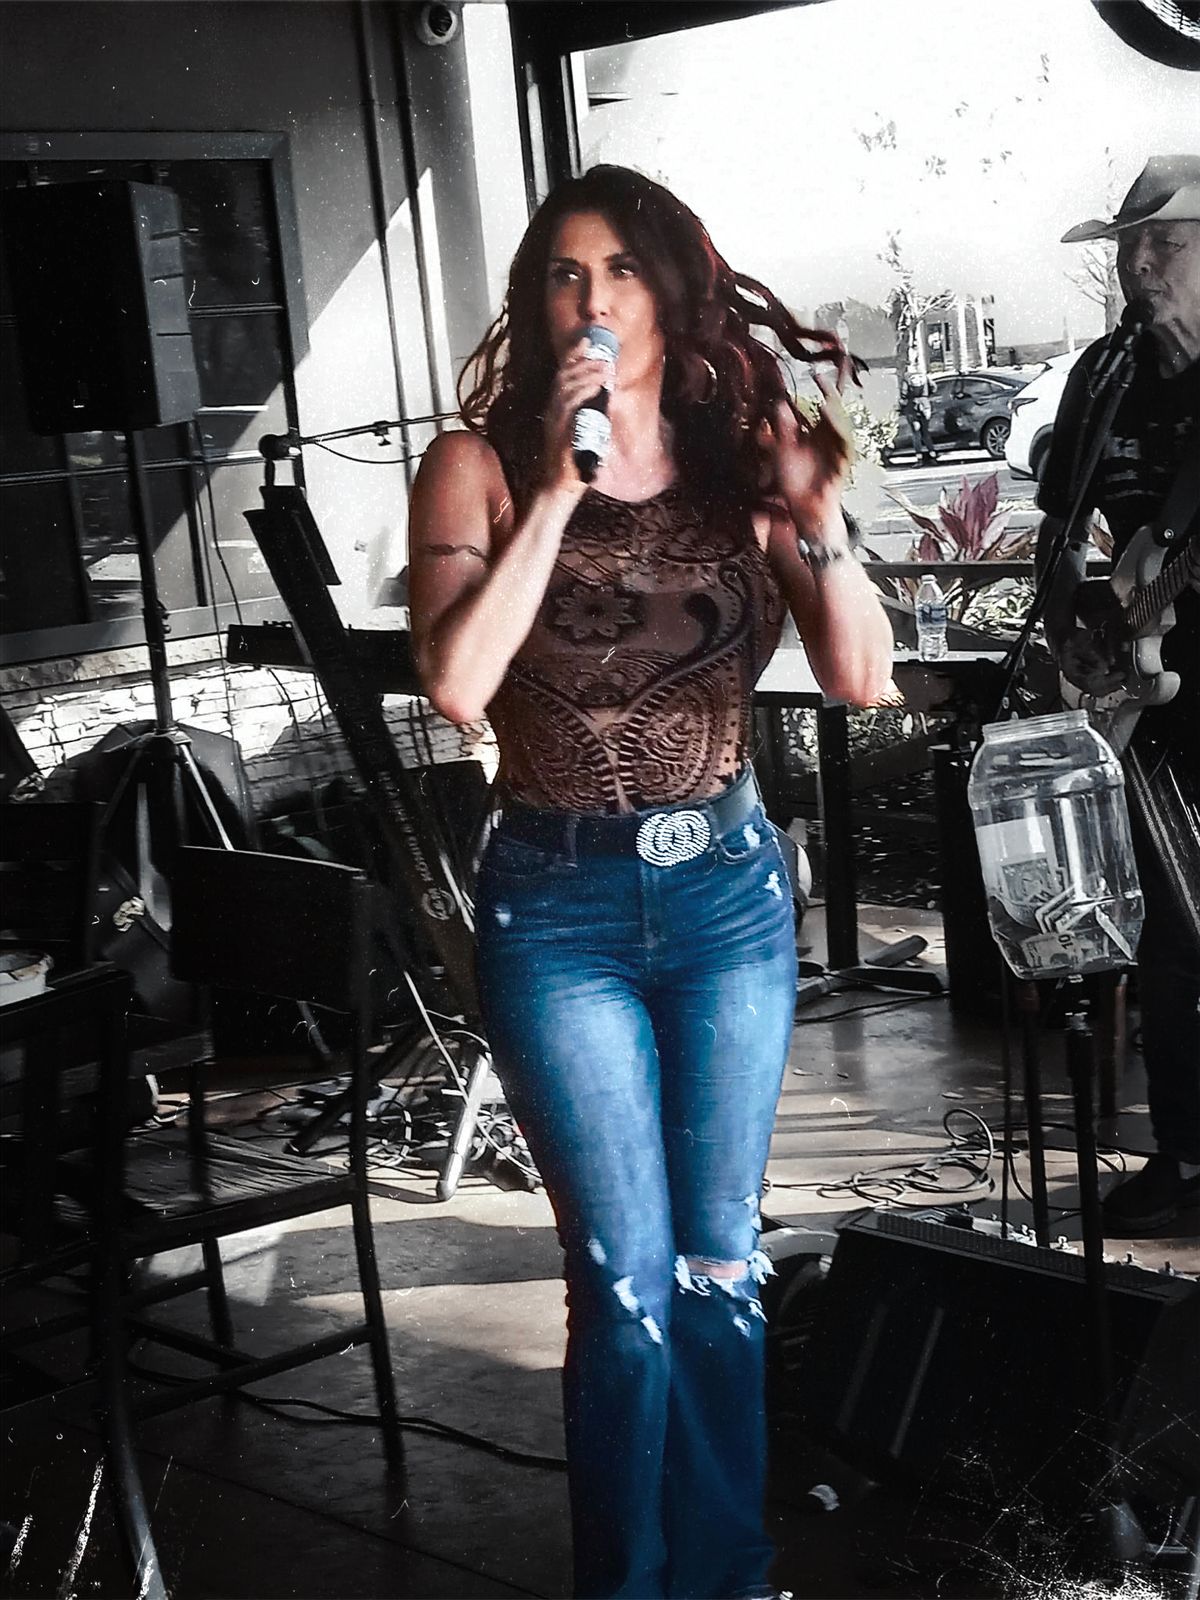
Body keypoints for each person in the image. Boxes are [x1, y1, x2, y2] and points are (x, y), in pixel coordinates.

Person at [407, 164, 892, 1599]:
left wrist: (817, 518)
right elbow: (456, 684)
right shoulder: (480, 466)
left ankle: (730, 1575)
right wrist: (560, 489)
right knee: (624, 1282)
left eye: (620, 269)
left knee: (719, 1265)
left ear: (672, 292)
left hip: (725, 899)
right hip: (559, 907)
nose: (593, 299)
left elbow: (861, 677)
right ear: (536, 302)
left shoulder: (738, 469)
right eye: (565, 273)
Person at [1036, 153, 1200, 1235]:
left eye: (1167, 243)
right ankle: (1182, 1158)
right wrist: (1074, 631)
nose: (1140, 263)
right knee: (1168, 937)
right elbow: (1061, 529)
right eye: (1129, 244)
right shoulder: (1104, 374)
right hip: (1146, 697)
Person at [901, 364, 936, 463]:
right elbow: (934, 387)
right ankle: (932, 456)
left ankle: (919, 458)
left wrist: (904, 401)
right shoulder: (924, 376)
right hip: (925, 405)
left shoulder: (907, 378)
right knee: (925, 432)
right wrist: (925, 397)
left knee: (916, 433)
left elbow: (903, 393)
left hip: (912, 406)